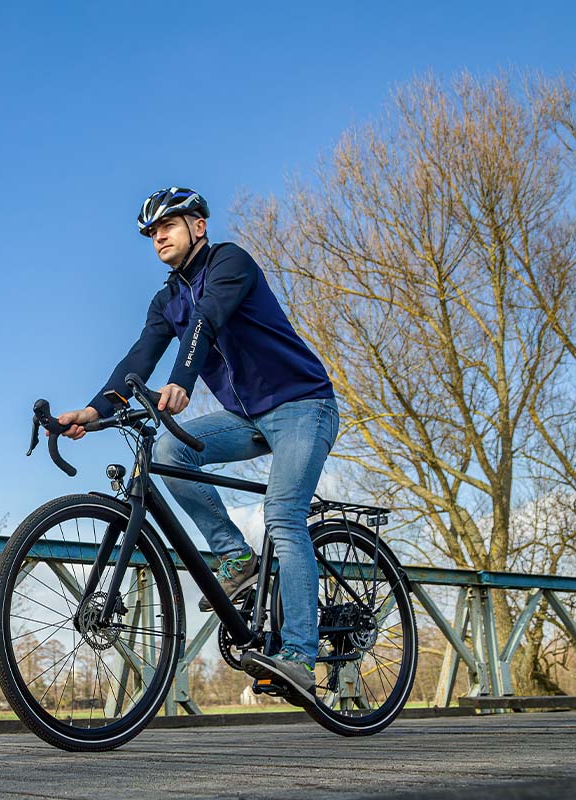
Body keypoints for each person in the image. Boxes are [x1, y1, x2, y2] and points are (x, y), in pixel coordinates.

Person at [55, 186, 338, 704]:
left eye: (169, 224)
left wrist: (183, 379)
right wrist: (94, 411)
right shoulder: (166, 300)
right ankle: (236, 559)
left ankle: (300, 655)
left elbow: (207, 321)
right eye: (151, 232)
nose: (158, 235)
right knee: (168, 452)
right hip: (246, 417)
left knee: (281, 514)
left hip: (303, 405)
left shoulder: (230, 262)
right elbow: (138, 358)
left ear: (198, 227)